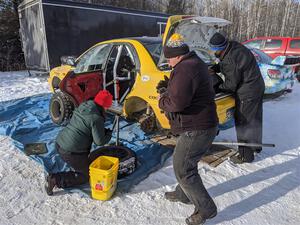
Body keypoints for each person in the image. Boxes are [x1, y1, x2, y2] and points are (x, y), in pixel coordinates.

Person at [157, 33, 219, 225]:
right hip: (202, 123)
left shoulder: (185, 69)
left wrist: (162, 98)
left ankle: (206, 209)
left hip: (197, 127)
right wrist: (169, 86)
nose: (167, 60)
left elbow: (176, 103)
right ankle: (183, 194)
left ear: (178, 55)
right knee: (184, 160)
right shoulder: (193, 62)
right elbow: (184, 90)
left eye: (169, 57)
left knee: (183, 167)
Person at [208, 32, 265, 164]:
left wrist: (216, 87)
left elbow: (230, 85)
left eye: (214, 50)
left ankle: (245, 155)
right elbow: (230, 65)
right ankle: (256, 147)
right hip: (256, 86)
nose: (213, 52)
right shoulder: (234, 46)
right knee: (255, 118)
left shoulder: (230, 59)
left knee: (243, 121)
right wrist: (215, 68)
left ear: (219, 49)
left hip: (247, 92)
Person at [45, 90, 113, 195]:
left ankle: (73, 165)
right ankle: (55, 179)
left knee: (86, 162)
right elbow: (99, 141)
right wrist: (108, 134)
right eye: (108, 106)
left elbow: (87, 126)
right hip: (70, 151)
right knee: (86, 175)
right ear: (104, 106)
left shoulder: (84, 106)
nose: (109, 108)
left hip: (60, 142)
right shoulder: (96, 118)